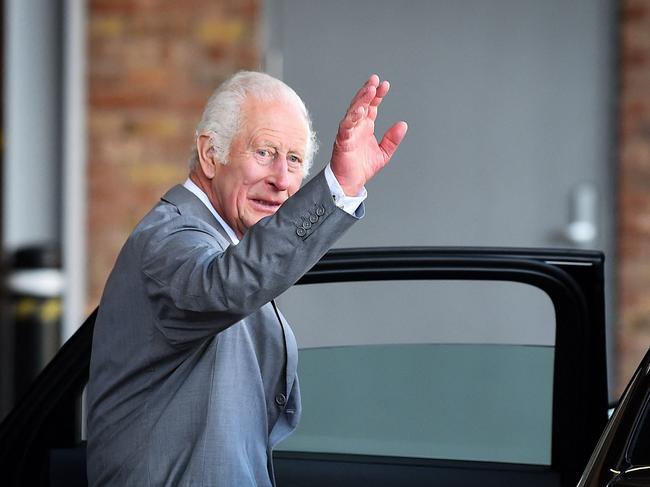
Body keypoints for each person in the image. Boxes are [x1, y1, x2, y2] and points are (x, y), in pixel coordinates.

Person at [86, 71, 407, 486]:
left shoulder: (226, 238)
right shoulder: (169, 238)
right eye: (265, 152)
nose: (282, 179)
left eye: (294, 160)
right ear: (209, 154)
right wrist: (337, 186)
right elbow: (227, 285)